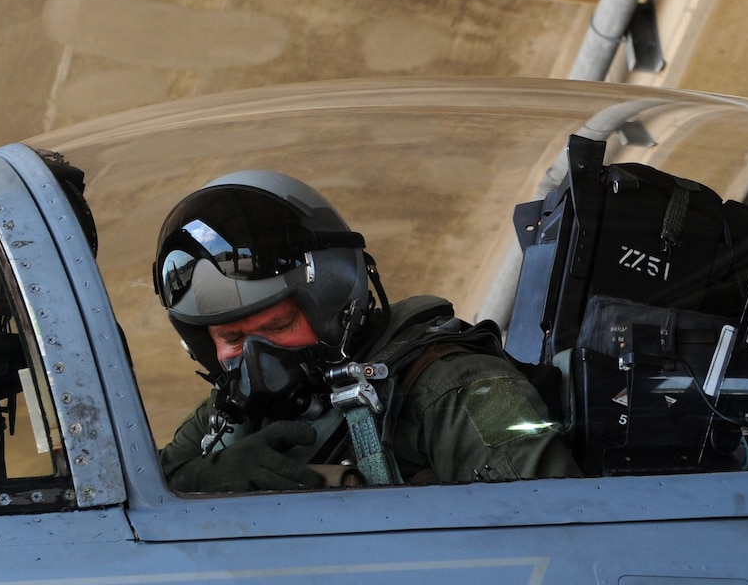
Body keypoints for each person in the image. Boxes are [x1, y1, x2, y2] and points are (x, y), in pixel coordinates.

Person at [154, 171, 576, 493]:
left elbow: (560, 527)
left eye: (278, 326)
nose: (255, 358)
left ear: (335, 306)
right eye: (232, 339)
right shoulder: (227, 415)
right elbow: (140, 490)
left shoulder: (460, 387)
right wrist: (203, 477)